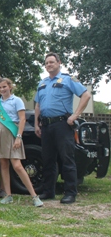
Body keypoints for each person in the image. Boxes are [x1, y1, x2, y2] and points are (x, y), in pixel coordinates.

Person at [34, 52, 91, 204]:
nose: (49, 65)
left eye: (52, 62)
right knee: (48, 160)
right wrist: (36, 124)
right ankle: (48, 191)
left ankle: (70, 192)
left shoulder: (68, 79)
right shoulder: (42, 83)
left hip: (62, 124)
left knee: (67, 159)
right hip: (46, 125)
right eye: (46, 63)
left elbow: (86, 95)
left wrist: (75, 115)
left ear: (59, 63)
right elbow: (37, 105)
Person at [0, 78, 43, 207]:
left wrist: (19, 137)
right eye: (0, 87)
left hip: (12, 134)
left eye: (4, 87)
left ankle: (34, 196)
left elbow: (22, 119)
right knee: (3, 164)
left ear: (10, 87)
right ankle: (8, 195)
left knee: (17, 165)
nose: (2, 89)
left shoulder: (17, 100)